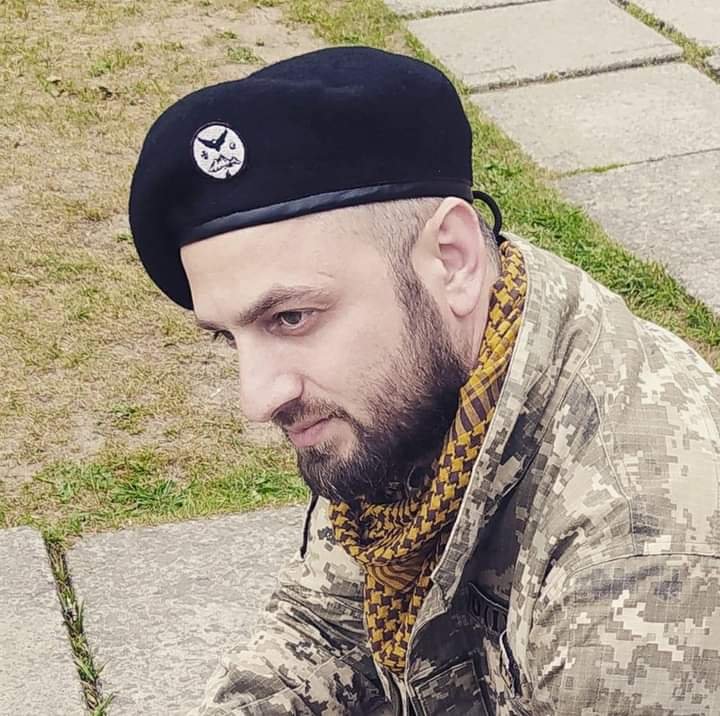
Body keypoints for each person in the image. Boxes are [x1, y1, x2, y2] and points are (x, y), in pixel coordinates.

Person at [128, 46, 720, 716]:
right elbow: (326, 625)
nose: (257, 398)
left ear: (453, 258)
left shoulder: (643, 575)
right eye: (229, 337)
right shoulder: (438, 370)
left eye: (291, 318)